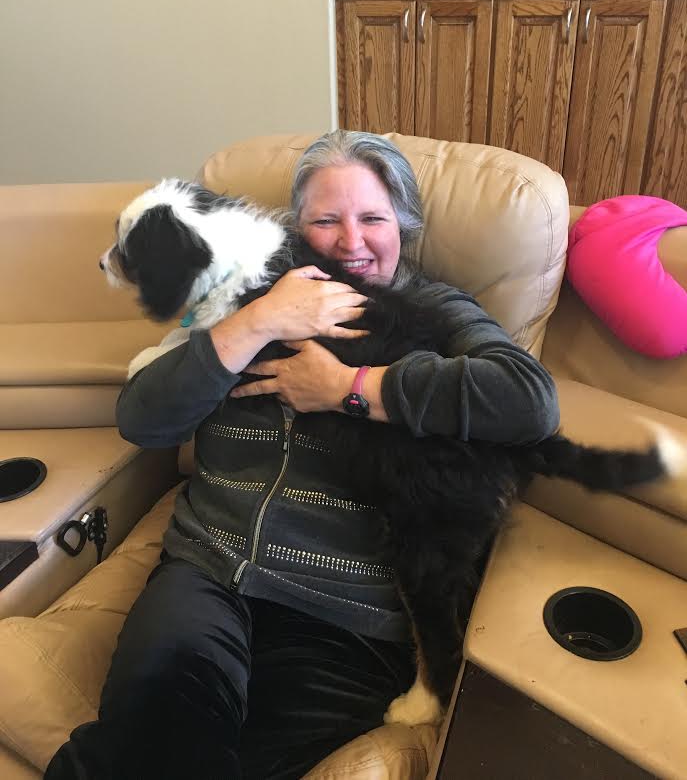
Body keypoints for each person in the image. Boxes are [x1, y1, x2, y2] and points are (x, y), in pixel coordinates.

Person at [45, 131, 560, 780]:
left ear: (403, 224)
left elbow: (529, 401)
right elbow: (143, 420)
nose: (350, 241)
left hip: (341, 611)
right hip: (208, 572)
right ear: (296, 226)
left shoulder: (433, 307)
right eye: (325, 220)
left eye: (373, 218)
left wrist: (350, 388)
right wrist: (260, 321)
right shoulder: (243, 289)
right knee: (153, 736)